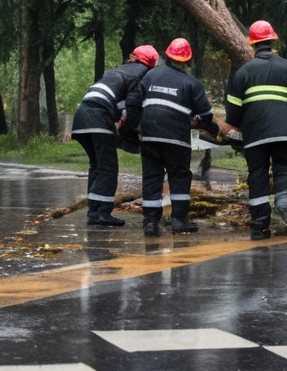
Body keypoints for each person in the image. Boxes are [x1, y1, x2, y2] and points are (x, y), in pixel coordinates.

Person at [224, 21, 287, 240]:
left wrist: (236, 127)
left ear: (252, 45)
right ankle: (284, 200)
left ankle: (259, 226)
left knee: (258, 176)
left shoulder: (242, 73)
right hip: (285, 130)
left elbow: (232, 107)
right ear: (273, 41)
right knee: (284, 168)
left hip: (255, 134)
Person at [131, 38, 219, 237]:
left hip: (150, 136)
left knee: (152, 177)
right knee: (179, 176)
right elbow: (205, 116)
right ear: (187, 61)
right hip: (176, 138)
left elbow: (135, 102)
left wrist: (130, 129)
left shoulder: (150, 75)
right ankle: (179, 220)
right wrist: (212, 128)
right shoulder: (192, 83)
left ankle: (151, 222)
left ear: (168, 55)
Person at [72, 45, 158, 227]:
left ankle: (93, 212)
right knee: (108, 168)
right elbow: (133, 106)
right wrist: (128, 131)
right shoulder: (141, 75)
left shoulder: (117, 70)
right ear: (151, 64)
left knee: (97, 166)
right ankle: (103, 213)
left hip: (81, 116)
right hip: (98, 117)